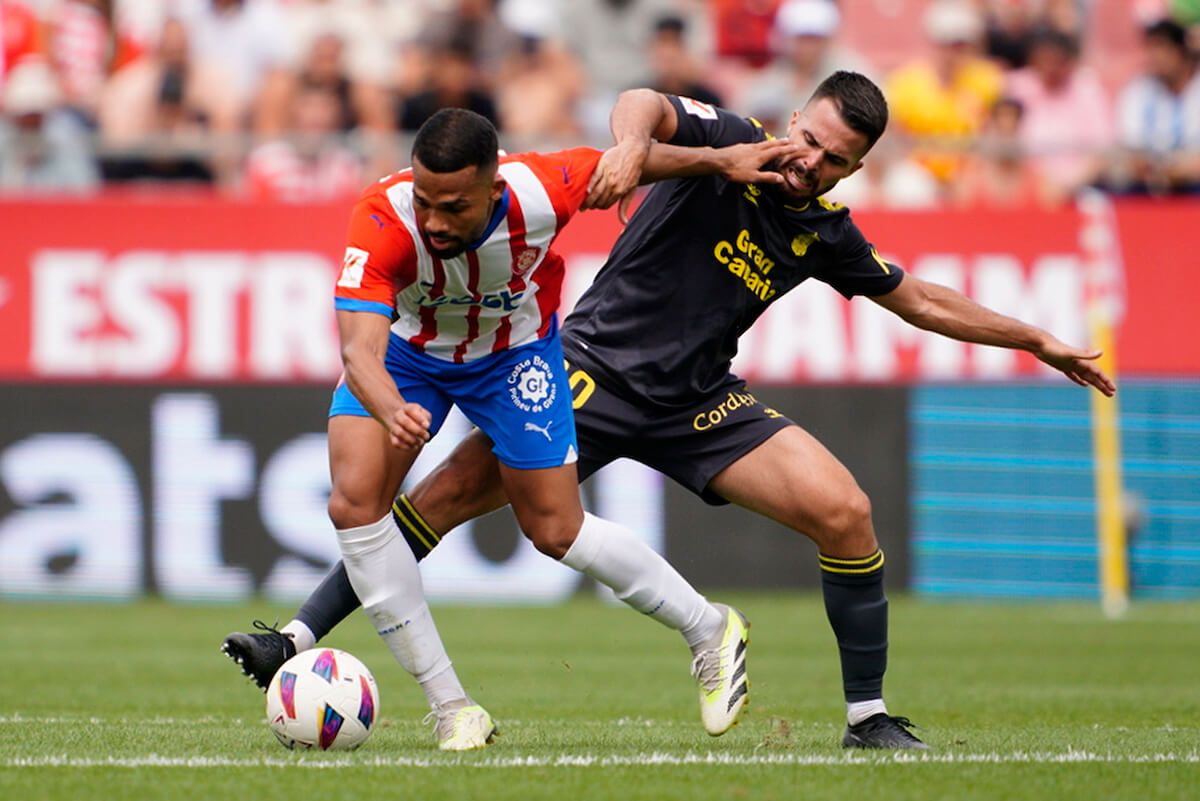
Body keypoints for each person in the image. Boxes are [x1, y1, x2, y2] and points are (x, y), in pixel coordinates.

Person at [225, 72, 1115, 751]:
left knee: (845, 511)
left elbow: (918, 299)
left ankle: (868, 715)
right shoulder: (731, 140)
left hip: (699, 401)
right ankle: (299, 631)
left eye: (832, 157)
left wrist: (1037, 338)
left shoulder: (823, 230)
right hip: (592, 370)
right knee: (443, 498)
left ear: (854, 166)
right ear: (793, 117)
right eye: (806, 136)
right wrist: (624, 148)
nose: (807, 160)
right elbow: (644, 104)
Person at [237, 106, 797, 751]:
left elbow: (630, 162)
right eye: (426, 202)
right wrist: (391, 407)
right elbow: (359, 353)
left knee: (555, 529)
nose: (435, 222)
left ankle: (708, 627)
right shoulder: (383, 218)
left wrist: (722, 160)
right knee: (354, 503)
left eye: (453, 206)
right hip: (407, 358)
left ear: (494, 189)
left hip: (515, 357)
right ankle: (452, 708)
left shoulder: (540, 186)